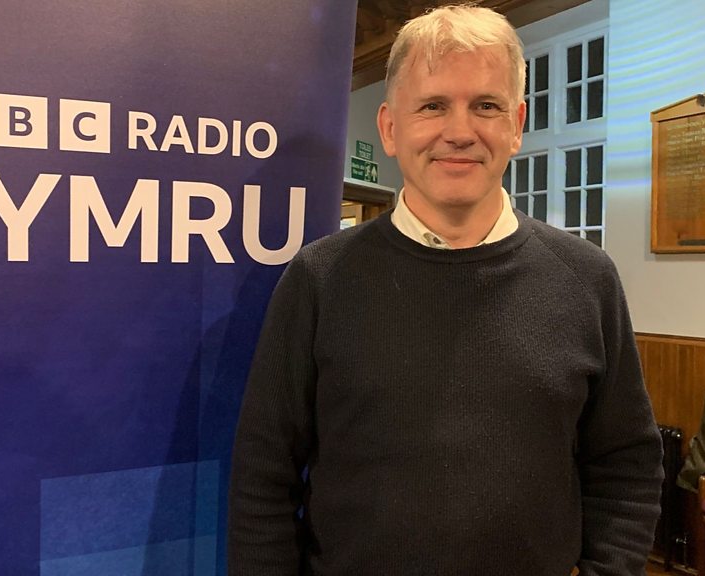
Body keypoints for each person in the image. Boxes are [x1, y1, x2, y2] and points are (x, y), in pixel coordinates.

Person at [228, 5, 663, 575]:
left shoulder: (587, 278)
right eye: (433, 105)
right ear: (390, 128)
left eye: (486, 106)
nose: (460, 132)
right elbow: (264, 477)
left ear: (516, 125)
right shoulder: (320, 278)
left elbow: (625, 464)